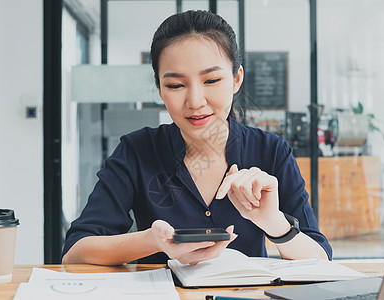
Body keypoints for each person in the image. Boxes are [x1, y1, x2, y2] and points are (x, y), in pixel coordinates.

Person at [62, 10, 332, 266]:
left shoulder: (271, 151)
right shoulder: (136, 150)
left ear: (236, 79)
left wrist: (274, 222)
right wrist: (151, 241)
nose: (195, 101)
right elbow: (75, 253)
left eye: (212, 80)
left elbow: (321, 259)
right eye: (175, 85)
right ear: (159, 88)